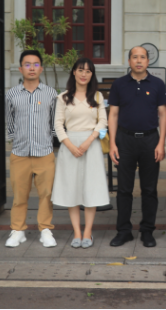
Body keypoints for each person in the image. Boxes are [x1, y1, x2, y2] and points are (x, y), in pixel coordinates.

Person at [107, 46, 166, 248]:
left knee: (149, 189)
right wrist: (112, 143)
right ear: (129, 61)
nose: (139, 60)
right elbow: (113, 115)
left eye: (143, 57)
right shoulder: (119, 84)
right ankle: (123, 231)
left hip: (150, 140)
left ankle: (147, 231)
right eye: (135, 57)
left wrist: (161, 142)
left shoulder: (158, 84)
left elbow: (163, 114)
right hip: (125, 140)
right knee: (124, 189)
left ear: (148, 61)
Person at [52, 57, 110, 249]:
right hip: (69, 146)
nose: (84, 74)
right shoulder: (63, 98)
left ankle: (87, 232)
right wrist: (69, 145)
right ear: (74, 72)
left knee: (90, 188)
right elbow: (58, 125)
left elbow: (103, 122)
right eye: (80, 70)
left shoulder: (97, 97)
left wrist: (88, 141)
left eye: (88, 71)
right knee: (72, 189)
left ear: (92, 74)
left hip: (91, 145)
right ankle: (77, 232)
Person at [5, 50, 58, 248]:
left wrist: (49, 140)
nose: (32, 68)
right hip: (20, 153)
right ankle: (18, 230)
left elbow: (54, 122)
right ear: (21, 69)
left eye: (36, 64)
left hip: (44, 152)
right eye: (27, 64)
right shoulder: (12, 94)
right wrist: (16, 140)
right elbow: (10, 122)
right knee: (19, 195)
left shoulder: (50, 93)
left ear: (41, 68)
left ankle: (45, 229)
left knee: (46, 194)